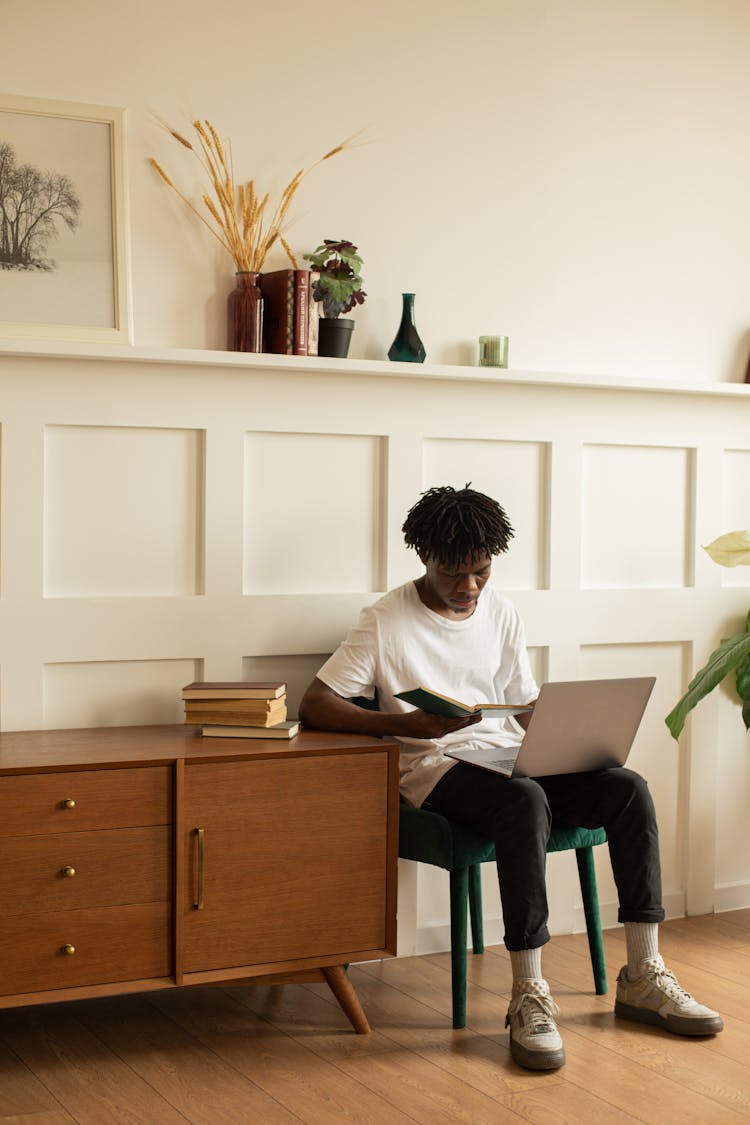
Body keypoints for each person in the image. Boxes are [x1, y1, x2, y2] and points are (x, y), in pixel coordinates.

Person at [299, 484, 723, 1071]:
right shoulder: (384, 621)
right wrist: (408, 722)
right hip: (434, 767)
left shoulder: (500, 611)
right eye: (454, 574)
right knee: (523, 801)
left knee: (627, 788)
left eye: (480, 571)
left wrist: (550, 724)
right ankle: (528, 993)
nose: (469, 587)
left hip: (505, 757)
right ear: (424, 556)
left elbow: (519, 702)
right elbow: (315, 704)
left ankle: (643, 975)